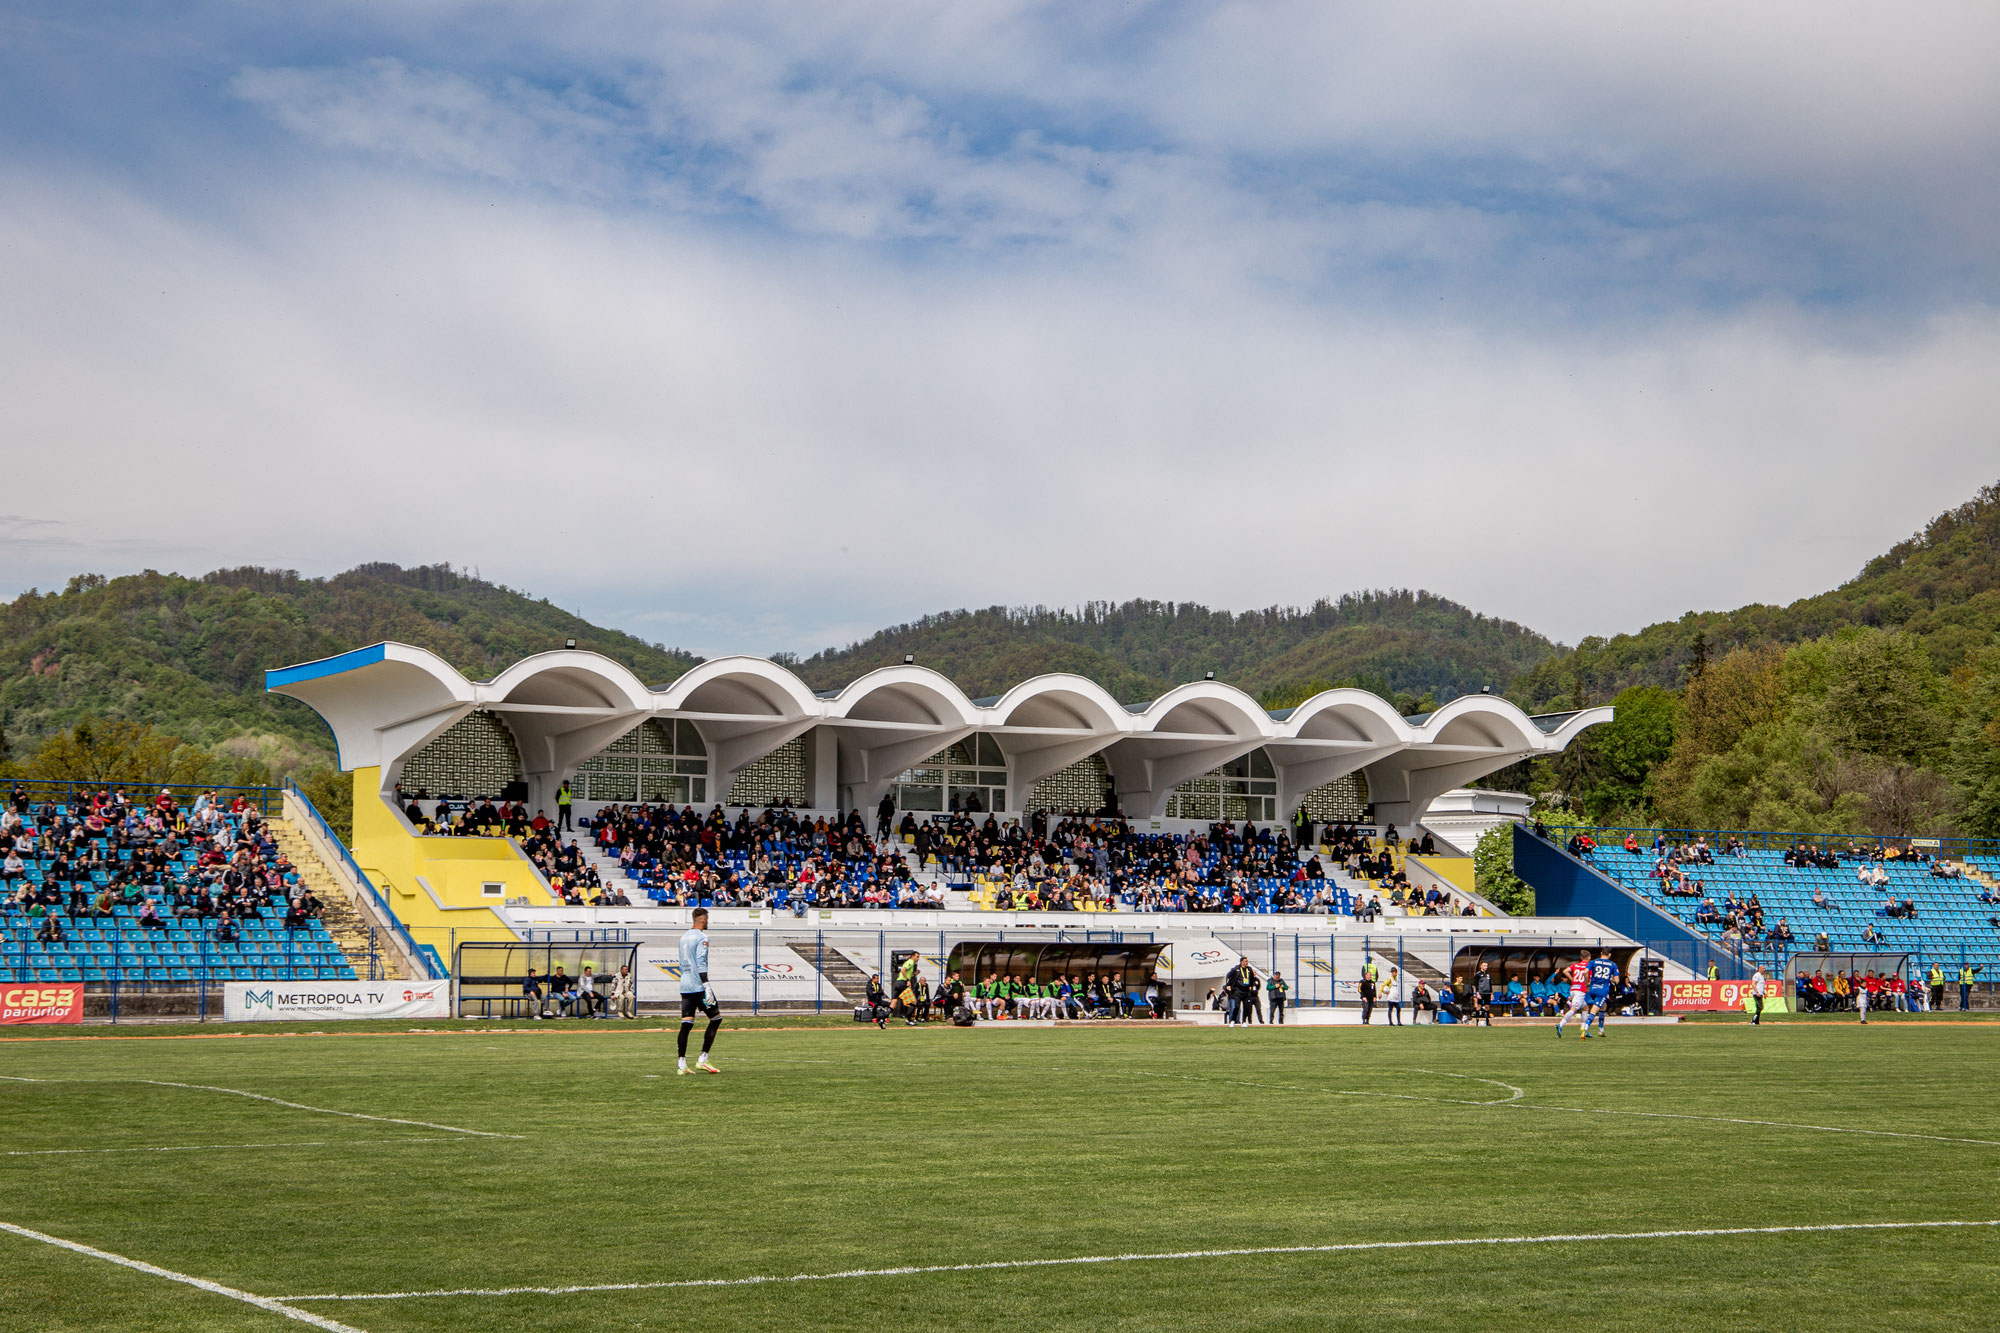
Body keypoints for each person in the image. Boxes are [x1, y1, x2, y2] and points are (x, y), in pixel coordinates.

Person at [676, 908, 722, 1074]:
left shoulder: (683, 937)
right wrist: (707, 986)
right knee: (716, 1019)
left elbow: (682, 962)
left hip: (685, 985)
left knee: (686, 1024)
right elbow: (701, 962)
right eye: (707, 919)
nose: (708, 922)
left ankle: (681, 1064)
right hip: (698, 986)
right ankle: (703, 1059)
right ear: (702, 919)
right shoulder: (702, 937)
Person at [1584, 949, 1618, 1038]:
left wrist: (1587, 982)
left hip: (1593, 988)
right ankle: (1585, 1027)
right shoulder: (1612, 965)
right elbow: (1617, 980)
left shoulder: (1593, 962)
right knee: (1595, 1009)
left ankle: (1601, 1029)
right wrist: (1611, 979)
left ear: (1601, 953)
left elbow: (1585, 972)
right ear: (1609, 954)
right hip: (1602, 990)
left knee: (1604, 1006)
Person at [1555, 954, 1590, 1038]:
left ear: (1581, 957)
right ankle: (1561, 1025)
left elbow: (1565, 971)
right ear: (1588, 957)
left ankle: (1583, 1030)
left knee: (1585, 1008)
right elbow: (1588, 977)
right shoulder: (1588, 966)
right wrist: (1587, 983)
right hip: (1580, 991)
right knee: (1573, 1010)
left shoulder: (1576, 965)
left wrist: (1572, 979)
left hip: (1573, 989)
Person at [1471, 963, 1495, 1027]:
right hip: (1481, 992)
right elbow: (1476, 984)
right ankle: (1477, 1021)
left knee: (1487, 1006)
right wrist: (1477, 993)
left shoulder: (1488, 974)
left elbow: (1490, 984)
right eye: (1484, 966)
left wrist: (1491, 993)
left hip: (1487, 992)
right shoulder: (1478, 974)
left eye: (1486, 966)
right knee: (1479, 1006)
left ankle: (1487, 1022)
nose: (1486, 967)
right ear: (1481, 966)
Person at [1358, 956, 1378, 1025]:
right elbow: (1359, 989)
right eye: (1369, 975)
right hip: (1365, 998)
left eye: (1370, 975)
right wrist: (1363, 996)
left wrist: (1375, 997)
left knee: (1370, 1010)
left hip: (1371, 998)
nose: (1370, 976)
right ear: (1366, 975)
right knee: (1365, 1009)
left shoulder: (1372, 982)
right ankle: (1364, 1020)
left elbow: (1374, 990)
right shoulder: (1362, 982)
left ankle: (1367, 1020)